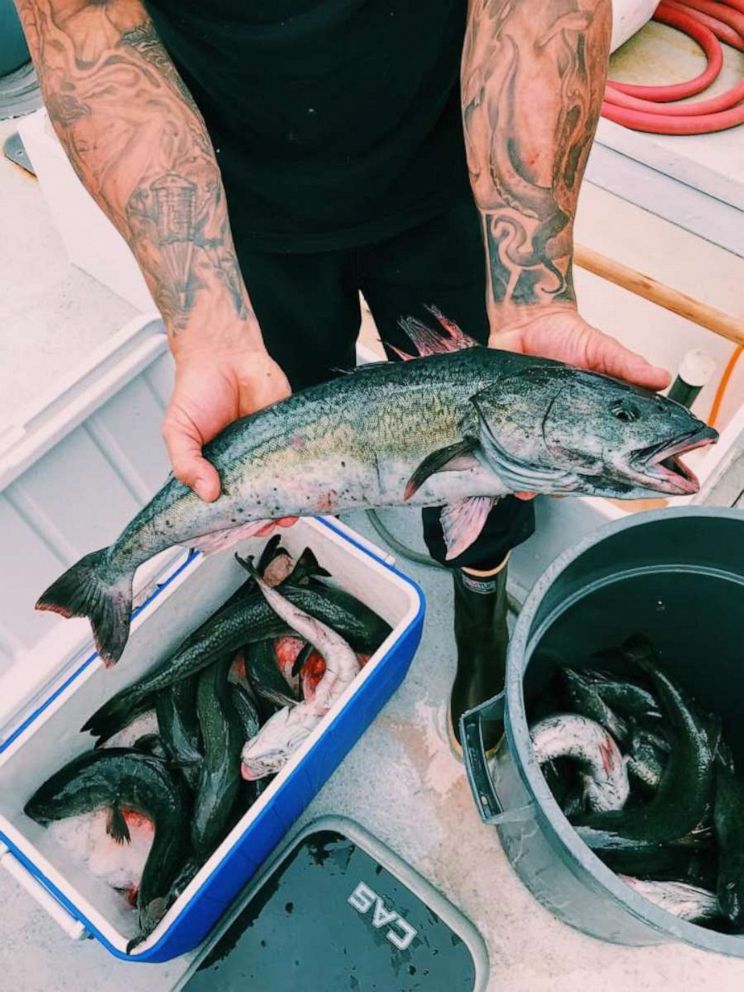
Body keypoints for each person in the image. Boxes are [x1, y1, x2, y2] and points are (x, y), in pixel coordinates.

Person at [16, 0, 669, 755]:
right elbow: (87, 27)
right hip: (223, 205)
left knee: (497, 483)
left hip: (458, 157)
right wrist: (207, 327)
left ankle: (481, 598)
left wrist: (534, 291)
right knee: (267, 436)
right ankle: (277, 581)